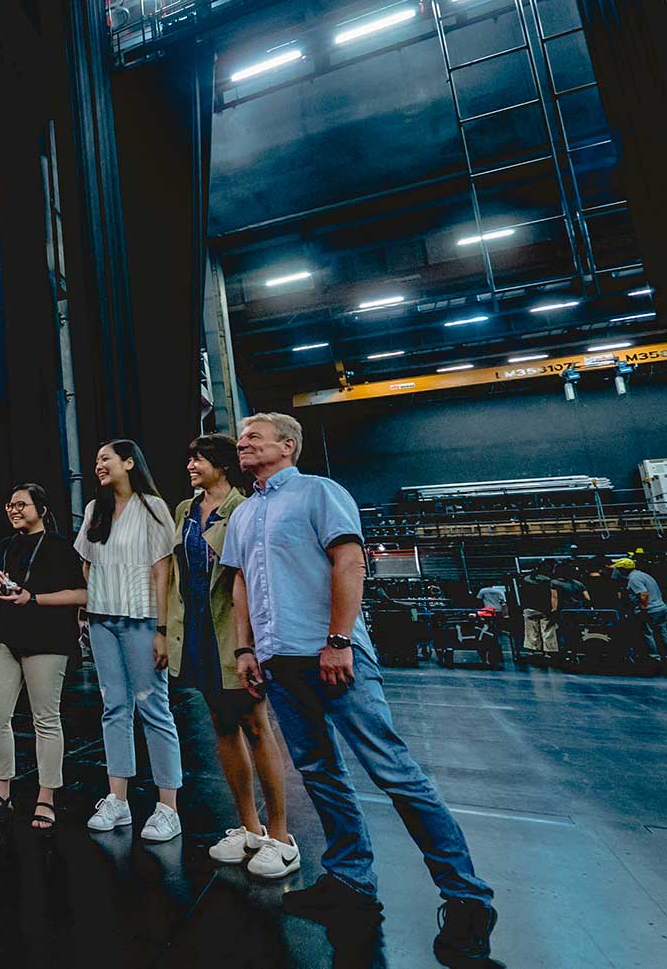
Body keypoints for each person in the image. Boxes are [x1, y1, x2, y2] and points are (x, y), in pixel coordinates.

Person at [224, 413, 496, 966]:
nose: (242, 442)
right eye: (240, 438)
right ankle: (350, 882)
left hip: (332, 654)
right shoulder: (245, 512)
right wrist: (245, 650)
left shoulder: (318, 492)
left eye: (254, 435)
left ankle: (467, 898)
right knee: (320, 772)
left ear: (288, 445)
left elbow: (348, 560)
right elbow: (241, 583)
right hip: (279, 659)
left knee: (393, 771)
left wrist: (339, 640)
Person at [166, 433, 298, 878]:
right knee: (221, 725)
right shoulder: (185, 511)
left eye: (199, 459)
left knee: (256, 726)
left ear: (220, 465)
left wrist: (253, 643)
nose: (191, 466)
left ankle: (281, 836)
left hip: (236, 630)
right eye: (190, 458)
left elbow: (253, 576)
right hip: (198, 631)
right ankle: (250, 827)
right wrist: (167, 631)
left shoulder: (244, 508)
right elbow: (177, 577)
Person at [74, 439, 183, 842]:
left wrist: (161, 629)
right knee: (113, 707)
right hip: (104, 621)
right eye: (96, 459)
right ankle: (117, 800)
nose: (99, 465)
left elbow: (162, 574)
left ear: (129, 462)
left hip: (142, 621)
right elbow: (86, 564)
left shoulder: (153, 507)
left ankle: (168, 807)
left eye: (106, 458)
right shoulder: (93, 510)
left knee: (153, 706)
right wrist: (102, 602)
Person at [0, 483, 88, 830]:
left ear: (42, 509)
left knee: (45, 720)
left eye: (21, 504)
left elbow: (83, 593)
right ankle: (1, 790)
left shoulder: (60, 547)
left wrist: (32, 598)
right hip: (5, 638)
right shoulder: (4, 547)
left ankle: (46, 798)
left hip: (47, 640)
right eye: (9, 504)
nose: (14, 509)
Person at [612, 557, 667, 663]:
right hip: (661, 608)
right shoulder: (643, 575)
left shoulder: (633, 579)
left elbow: (643, 594)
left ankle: (654, 658)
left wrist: (643, 610)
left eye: (618, 569)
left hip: (650, 610)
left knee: (647, 634)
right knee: (663, 633)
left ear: (624, 569)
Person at [518, 561, 560, 661]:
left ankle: (533, 650)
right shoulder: (548, 581)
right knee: (547, 630)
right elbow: (552, 596)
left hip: (529, 608)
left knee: (531, 630)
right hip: (544, 608)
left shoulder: (526, 579)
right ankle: (548, 651)